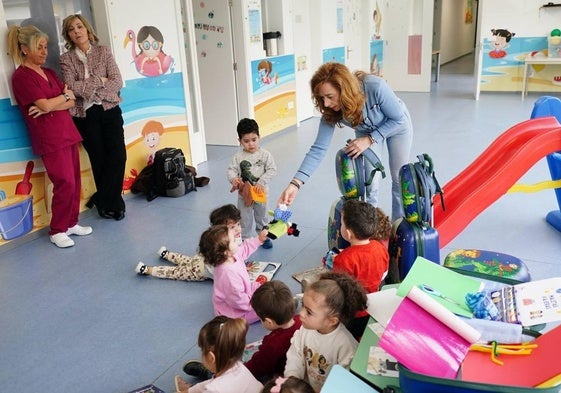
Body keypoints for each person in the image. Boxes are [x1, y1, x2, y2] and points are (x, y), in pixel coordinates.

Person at [277, 62, 413, 221]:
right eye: (322, 98)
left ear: (345, 90)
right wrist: (295, 184)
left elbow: (398, 119)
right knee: (370, 183)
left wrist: (369, 139)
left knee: (399, 177)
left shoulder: (375, 87)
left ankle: (399, 225)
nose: (326, 103)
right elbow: (318, 149)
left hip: (396, 126)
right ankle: (370, 227)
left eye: (330, 97)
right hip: (366, 132)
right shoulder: (331, 111)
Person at [7, 24, 92, 248]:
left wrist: (52, 104)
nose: (45, 52)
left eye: (46, 47)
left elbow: (71, 100)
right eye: (39, 47)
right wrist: (57, 100)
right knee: (64, 183)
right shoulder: (21, 77)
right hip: (49, 138)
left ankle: (71, 223)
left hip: (67, 132)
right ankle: (57, 230)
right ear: (25, 49)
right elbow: (45, 103)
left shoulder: (50, 73)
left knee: (74, 181)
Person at [59, 14, 127, 221]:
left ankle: (106, 200)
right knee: (99, 159)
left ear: (87, 29)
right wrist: (99, 80)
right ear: (68, 35)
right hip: (85, 115)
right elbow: (71, 88)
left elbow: (117, 81)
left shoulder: (104, 51)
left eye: (79, 26)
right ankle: (111, 205)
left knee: (118, 156)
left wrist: (90, 86)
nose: (76, 31)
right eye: (71, 29)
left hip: (109, 110)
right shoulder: (66, 59)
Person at [183, 280, 302, 382]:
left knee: (239, 371)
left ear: (269, 322)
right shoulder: (300, 320)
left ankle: (215, 374)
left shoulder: (273, 345)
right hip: (294, 367)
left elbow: (255, 369)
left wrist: (230, 375)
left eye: (260, 319)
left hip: (277, 376)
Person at [284, 272, 367, 392]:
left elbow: (345, 383)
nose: (300, 313)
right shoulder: (305, 329)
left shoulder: (345, 345)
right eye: (303, 305)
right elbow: (295, 355)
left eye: (309, 312)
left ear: (331, 321)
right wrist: (292, 379)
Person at [331, 200, 390, 339]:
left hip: (352, 312)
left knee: (349, 337)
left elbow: (338, 289)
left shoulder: (343, 259)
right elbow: (383, 272)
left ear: (349, 233)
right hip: (374, 306)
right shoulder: (379, 247)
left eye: (342, 223)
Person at [135, 204, 242, 280]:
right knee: (175, 272)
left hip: (200, 260)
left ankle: (167, 254)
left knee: (187, 260)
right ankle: (148, 270)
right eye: (232, 227)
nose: (238, 229)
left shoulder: (233, 236)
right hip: (199, 271)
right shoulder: (221, 244)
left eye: (238, 224)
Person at [199, 224, 269, 323]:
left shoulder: (231, 254)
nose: (236, 239)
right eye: (233, 240)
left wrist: (259, 239)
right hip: (234, 313)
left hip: (243, 293)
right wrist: (257, 302)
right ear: (225, 252)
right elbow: (238, 300)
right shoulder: (227, 274)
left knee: (266, 288)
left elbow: (244, 249)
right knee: (268, 308)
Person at [174, 316, 262, 393]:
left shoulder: (214, 390)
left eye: (202, 350)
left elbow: (214, 387)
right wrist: (189, 391)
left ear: (212, 357)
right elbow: (212, 383)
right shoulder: (239, 366)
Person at [227, 118, 277, 249]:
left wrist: (262, 181)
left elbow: (272, 170)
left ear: (259, 137)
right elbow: (231, 170)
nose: (251, 144)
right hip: (245, 195)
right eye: (246, 141)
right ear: (240, 141)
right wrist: (234, 179)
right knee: (244, 217)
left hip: (261, 194)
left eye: (254, 140)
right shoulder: (238, 157)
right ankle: (244, 240)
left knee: (262, 216)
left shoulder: (265, 155)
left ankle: (263, 236)